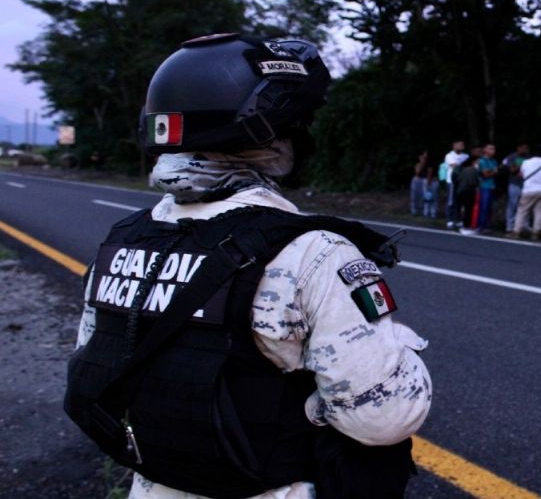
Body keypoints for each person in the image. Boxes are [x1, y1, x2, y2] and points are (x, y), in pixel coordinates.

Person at [64, 33, 431, 499]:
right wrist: (319, 405)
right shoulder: (313, 251)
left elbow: (92, 369)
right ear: (268, 132)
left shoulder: (123, 240)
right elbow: (384, 419)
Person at [509, 145, 541, 239]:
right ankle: (536, 233)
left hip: (528, 190)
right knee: (539, 213)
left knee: (522, 211)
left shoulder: (526, 162)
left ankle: (516, 231)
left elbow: (521, 174)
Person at [502, 143, 529, 233]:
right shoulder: (512, 157)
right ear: (518, 148)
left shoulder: (528, 158)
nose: (525, 149)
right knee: (512, 205)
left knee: (525, 206)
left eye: (526, 148)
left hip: (525, 184)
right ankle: (509, 226)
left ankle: (524, 225)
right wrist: (521, 165)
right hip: (514, 183)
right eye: (523, 147)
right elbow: (511, 169)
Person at [453, 152, 481, 235]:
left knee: (460, 208)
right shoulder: (472, 170)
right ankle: (465, 227)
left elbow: (455, 178)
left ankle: (458, 223)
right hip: (469, 191)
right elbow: (474, 182)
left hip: (460, 190)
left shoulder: (461, 169)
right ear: (474, 162)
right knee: (468, 210)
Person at [443, 140, 469, 228]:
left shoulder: (466, 156)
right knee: (451, 201)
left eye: (462, 144)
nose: (461, 146)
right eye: (459, 144)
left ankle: (458, 220)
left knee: (460, 202)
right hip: (452, 181)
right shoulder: (449, 155)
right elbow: (454, 165)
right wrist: (463, 164)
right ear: (454, 145)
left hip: (463, 182)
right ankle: (449, 220)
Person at [477, 143, 498, 231]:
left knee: (489, 207)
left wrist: (492, 172)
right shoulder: (481, 161)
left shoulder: (494, 161)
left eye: (493, 149)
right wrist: (493, 171)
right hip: (483, 186)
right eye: (490, 149)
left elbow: (493, 172)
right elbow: (485, 174)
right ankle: (480, 225)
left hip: (492, 186)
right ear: (485, 150)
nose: (493, 151)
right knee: (483, 206)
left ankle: (486, 225)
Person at [410, 150, 430, 216]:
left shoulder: (428, 164)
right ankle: (414, 211)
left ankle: (423, 212)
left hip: (424, 180)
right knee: (414, 196)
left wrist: (428, 181)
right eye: (424, 156)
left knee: (424, 197)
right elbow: (417, 172)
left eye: (426, 157)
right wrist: (421, 163)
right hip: (416, 180)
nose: (425, 158)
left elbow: (429, 173)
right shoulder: (418, 163)